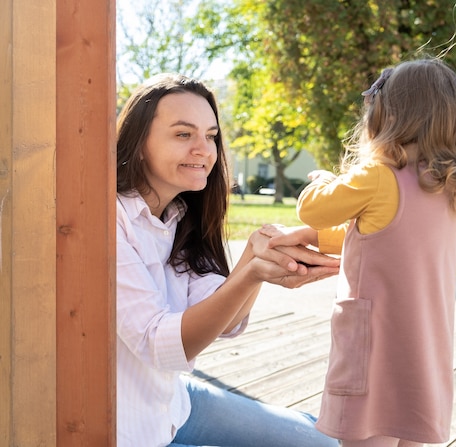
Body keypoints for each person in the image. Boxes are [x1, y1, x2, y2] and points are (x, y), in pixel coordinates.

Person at [262, 58, 456, 447]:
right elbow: (391, 239)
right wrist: (324, 238)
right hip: (424, 352)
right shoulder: (451, 189)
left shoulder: (378, 177)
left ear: (387, 116)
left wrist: (327, 181)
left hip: (374, 354)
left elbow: (313, 207)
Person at [116, 73, 341, 447]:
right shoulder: (110, 221)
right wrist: (250, 273)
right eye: (183, 134)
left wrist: (258, 254)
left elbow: (223, 321)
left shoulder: (177, 216)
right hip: (131, 427)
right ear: (139, 144)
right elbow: (162, 344)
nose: (204, 150)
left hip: (174, 402)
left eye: (211, 135)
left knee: (324, 441)